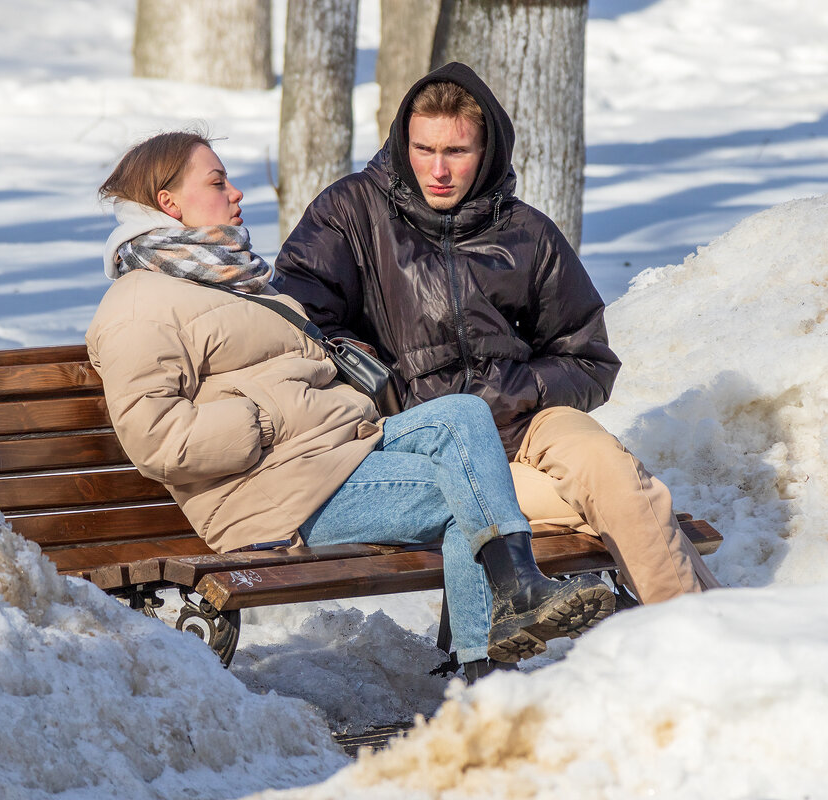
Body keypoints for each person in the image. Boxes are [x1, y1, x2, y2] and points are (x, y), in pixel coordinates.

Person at [85, 131, 616, 682]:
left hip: (335, 452)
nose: (237, 193)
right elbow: (157, 441)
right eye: (218, 182)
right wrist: (264, 418)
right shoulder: (138, 305)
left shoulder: (232, 281)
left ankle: (511, 599)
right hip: (276, 492)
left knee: (461, 415)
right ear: (168, 202)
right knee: (470, 493)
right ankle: (484, 668)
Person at [275, 63, 720, 618]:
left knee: (614, 475)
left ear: (486, 152)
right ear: (400, 143)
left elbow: (588, 357)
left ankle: (698, 640)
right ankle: (708, 634)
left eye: (456, 152)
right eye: (423, 149)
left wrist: (519, 388)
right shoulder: (350, 213)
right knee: (602, 504)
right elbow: (296, 320)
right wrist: (374, 382)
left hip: (525, 418)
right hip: (429, 439)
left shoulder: (527, 232)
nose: (438, 170)